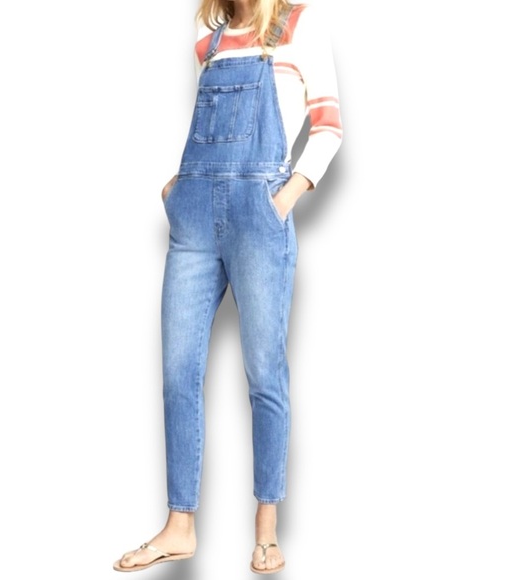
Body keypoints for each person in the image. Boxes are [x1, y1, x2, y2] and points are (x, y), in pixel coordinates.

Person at [114, 0, 342, 574]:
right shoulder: (207, 32)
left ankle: (266, 530)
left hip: (259, 216)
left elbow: (329, 126)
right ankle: (179, 527)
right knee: (178, 373)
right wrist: (177, 190)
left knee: (265, 374)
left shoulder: (298, 24)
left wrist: (282, 201)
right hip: (194, 218)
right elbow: (206, 131)